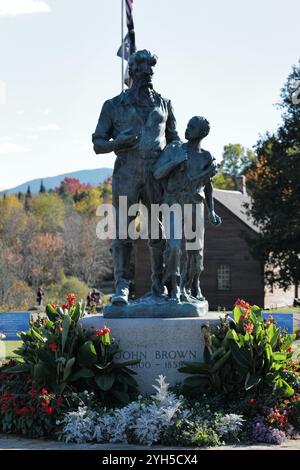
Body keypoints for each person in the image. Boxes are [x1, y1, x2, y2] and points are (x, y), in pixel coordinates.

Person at [92, 50, 180, 305]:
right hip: (127, 172)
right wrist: (116, 142)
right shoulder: (113, 106)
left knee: (157, 231)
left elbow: (174, 139)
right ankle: (121, 286)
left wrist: (175, 157)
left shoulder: (164, 104)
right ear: (131, 74)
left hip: (156, 173)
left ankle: (158, 285)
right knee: (123, 230)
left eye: (151, 73)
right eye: (142, 73)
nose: (147, 78)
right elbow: (98, 143)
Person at [154, 116, 222, 302]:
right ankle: (174, 285)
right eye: (188, 125)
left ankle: (192, 284)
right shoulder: (174, 149)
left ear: (202, 133)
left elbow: (207, 186)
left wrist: (211, 210)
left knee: (196, 251)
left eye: (192, 127)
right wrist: (174, 162)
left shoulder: (206, 157)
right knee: (174, 247)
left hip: (195, 204)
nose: (187, 129)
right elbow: (157, 173)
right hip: (173, 202)